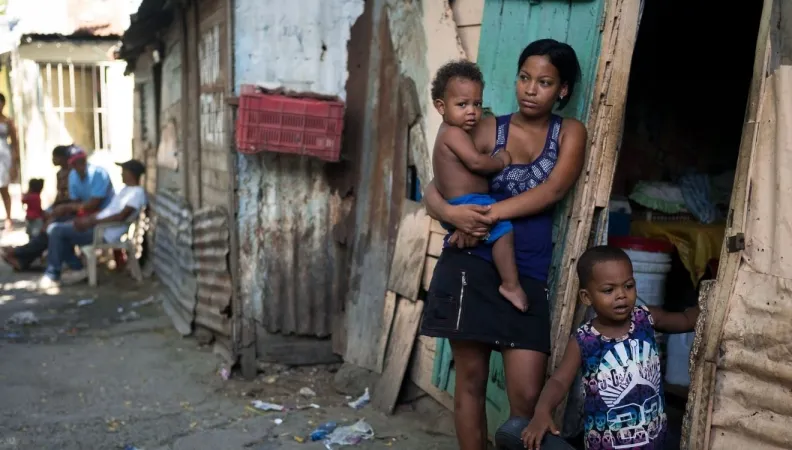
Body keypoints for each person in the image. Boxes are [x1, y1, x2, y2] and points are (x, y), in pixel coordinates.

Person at [419, 38, 588, 450]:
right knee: (471, 383)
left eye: (544, 82)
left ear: (562, 89)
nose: (530, 89)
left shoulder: (569, 133)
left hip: (526, 268)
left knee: (527, 399)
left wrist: (489, 215)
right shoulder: (486, 125)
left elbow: (551, 191)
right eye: (524, 78)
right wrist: (451, 213)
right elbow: (436, 180)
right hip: (471, 264)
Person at [521, 246, 700, 450]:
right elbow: (559, 381)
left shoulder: (646, 318)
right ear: (587, 297)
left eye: (628, 286)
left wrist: (709, 302)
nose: (621, 295)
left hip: (653, 440)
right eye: (609, 290)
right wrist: (542, 411)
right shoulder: (585, 339)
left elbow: (686, 320)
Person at [430, 60, 527, 311]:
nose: (472, 111)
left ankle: (459, 236)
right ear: (441, 106)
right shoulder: (453, 134)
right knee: (503, 231)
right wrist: (500, 160)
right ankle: (510, 284)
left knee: (482, 231)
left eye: (477, 104)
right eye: (462, 105)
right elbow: (475, 163)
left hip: (460, 204)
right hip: (468, 203)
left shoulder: (452, 132)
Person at [1, 145, 113, 270]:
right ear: (70, 163)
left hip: (99, 218)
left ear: (85, 160)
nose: (78, 165)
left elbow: (93, 204)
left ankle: (21, 255)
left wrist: (65, 209)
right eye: (74, 162)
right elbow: (76, 204)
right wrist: (61, 212)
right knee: (51, 224)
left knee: (55, 229)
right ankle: (22, 258)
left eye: (81, 161)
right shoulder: (73, 176)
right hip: (85, 216)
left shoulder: (98, 174)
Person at [39, 159, 146, 287]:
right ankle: (77, 268)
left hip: (103, 233)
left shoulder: (137, 193)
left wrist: (91, 222)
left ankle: (53, 274)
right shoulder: (125, 190)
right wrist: (87, 219)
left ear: (131, 174)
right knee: (57, 229)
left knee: (56, 231)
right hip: (97, 226)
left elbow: (120, 216)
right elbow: (107, 211)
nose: (121, 174)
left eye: (124, 171)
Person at [0, 93, 20, 230]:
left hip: (3, 157)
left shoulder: (8, 122)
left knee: (4, 188)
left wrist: (14, 164)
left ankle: (8, 218)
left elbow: (15, 144)